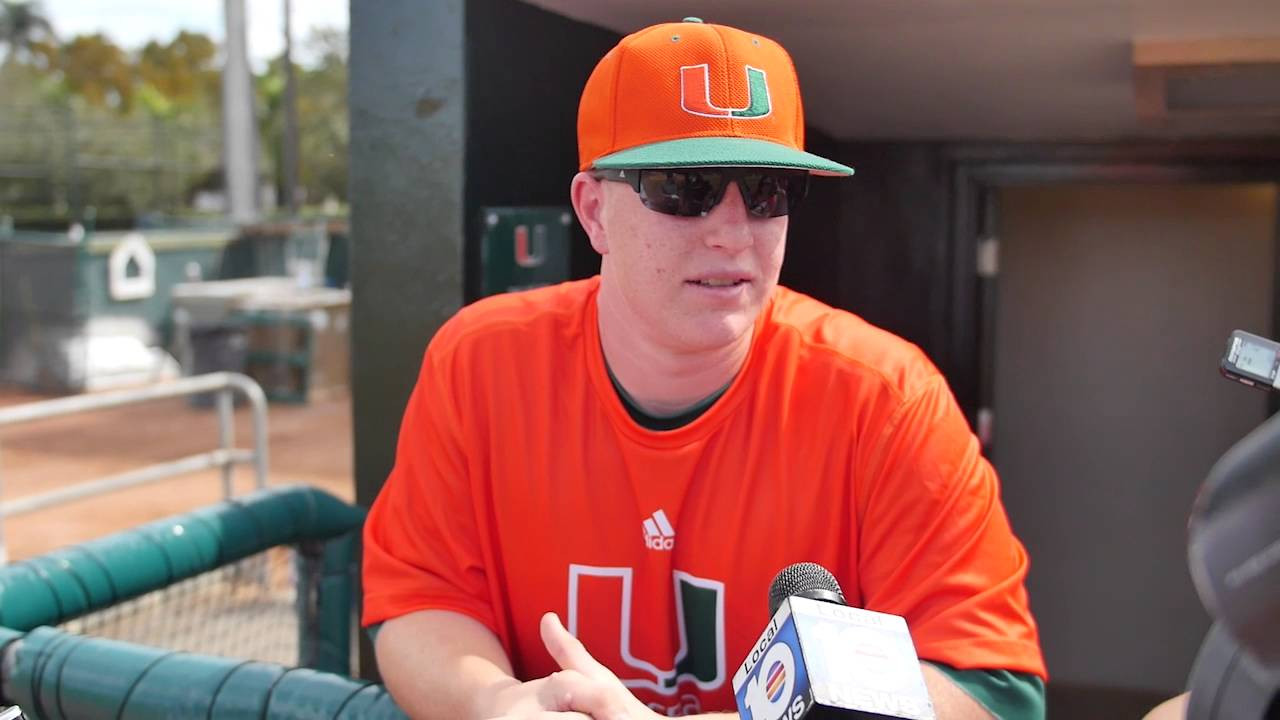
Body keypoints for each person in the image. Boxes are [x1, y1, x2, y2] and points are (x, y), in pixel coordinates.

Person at [363, 17, 1047, 720]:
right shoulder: (481, 362)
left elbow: (989, 688)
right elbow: (420, 599)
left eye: (766, 191)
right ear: (594, 211)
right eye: (685, 187)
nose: (731, 231)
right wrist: (494, 704)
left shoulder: (887, 397)